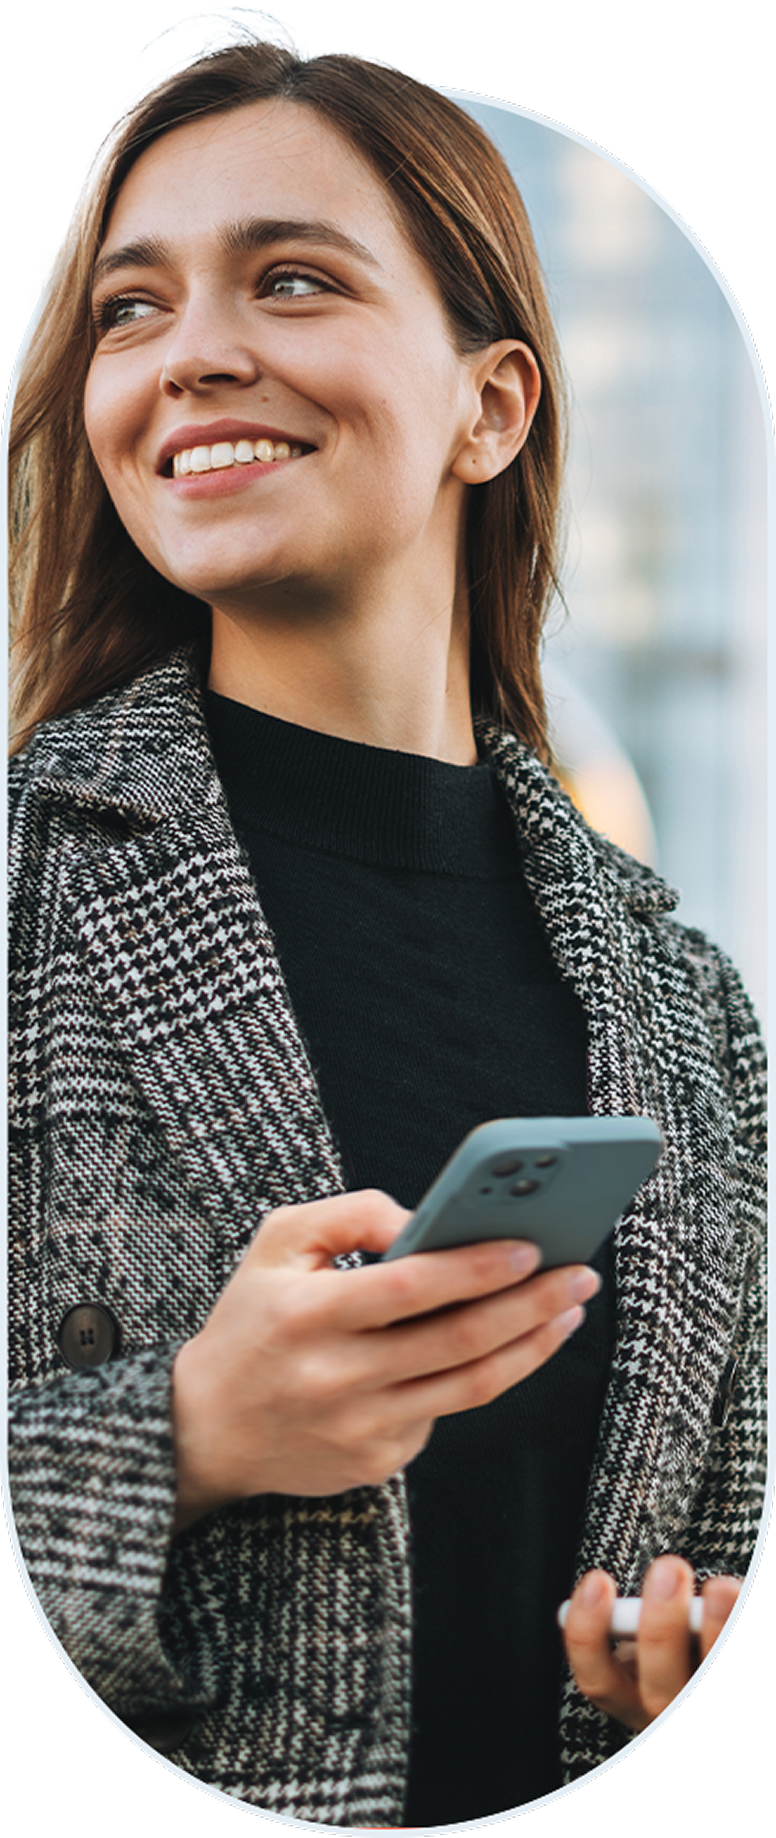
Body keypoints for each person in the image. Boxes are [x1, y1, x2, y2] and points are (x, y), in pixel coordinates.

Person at [7, 13, 766, 1826]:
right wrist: (182, 1444)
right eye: (131, 307)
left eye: (288, 280)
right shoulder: (19, 898)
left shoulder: (694, 1008)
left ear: (489, 404)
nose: (192, 356)